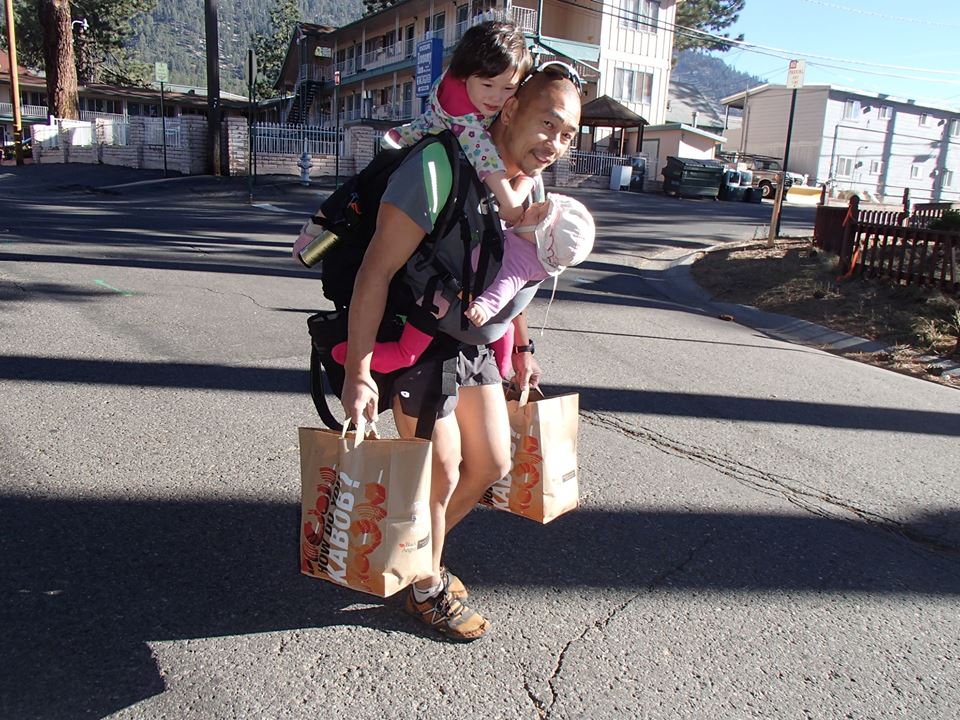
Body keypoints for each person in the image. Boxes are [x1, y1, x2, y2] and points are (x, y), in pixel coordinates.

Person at [341, 64, 583, 641]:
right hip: (414, 334)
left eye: (568, 135)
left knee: (494, 464)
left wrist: (520, 344)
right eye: (546, 123)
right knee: (443, 469)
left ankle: (411, 556)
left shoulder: (533, 190)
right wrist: (357, 370)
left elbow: (519, 271)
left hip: (473, 339)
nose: (554, 143)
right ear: (510, 107)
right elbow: (375, 271)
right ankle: (426, 586)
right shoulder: (438, 165)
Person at [329, 193, 595, 379]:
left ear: (539, 238)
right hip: (494, 326)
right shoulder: (537, 257)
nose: (533, 205)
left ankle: (353, 355)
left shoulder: (521, 260)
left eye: (538, 213)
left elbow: (505, 285)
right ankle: (501, 370)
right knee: (503, 330)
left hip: (456, 300)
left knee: (410, 347)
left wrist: (484, 307)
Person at [383, 21, 534, 226]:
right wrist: (509, 201)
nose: (497, 97)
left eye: (508, 88)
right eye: (488, 85)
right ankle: (396, 144)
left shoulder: (473, 79)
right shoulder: (460, 111)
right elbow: (483, 154)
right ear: (464, 76)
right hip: (435, 135)